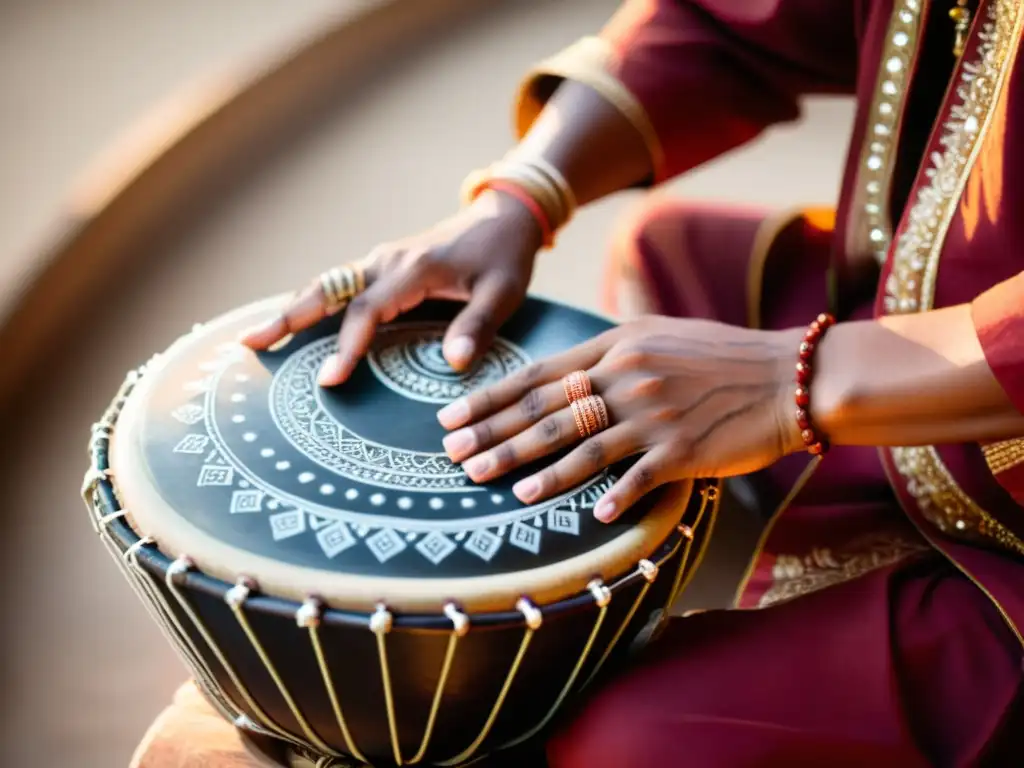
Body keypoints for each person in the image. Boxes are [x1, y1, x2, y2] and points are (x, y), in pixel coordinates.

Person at [136, 1, 1024, 766]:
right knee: (664, 255)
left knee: (635, 742)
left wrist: (791, 376)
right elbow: (733, 16)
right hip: (912, 306)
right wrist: (519, 196)